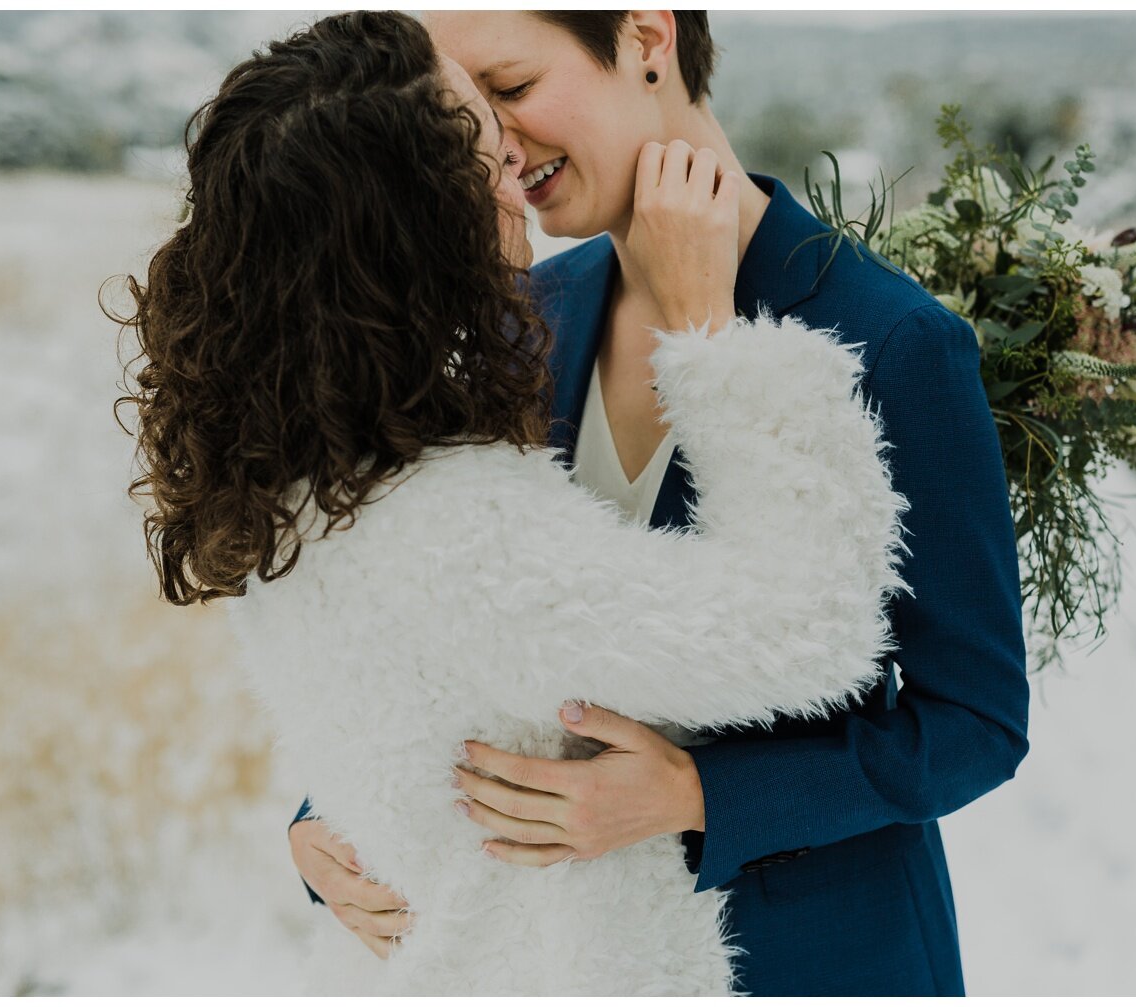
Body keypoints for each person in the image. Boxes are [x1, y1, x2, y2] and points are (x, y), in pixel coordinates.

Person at [117, 10, 910, 996]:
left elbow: (429, 704)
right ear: (412, 229)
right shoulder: (455, 522)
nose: (517, 186)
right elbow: (812, 622)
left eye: (513, 94)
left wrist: (342, 825)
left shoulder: (300, 467)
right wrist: (713, 339)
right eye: (483, 156)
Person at [290, 11, 1032, 996]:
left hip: (813, 960)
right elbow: (441, 619)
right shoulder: (528, 318)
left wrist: (695, 793)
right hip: (566, 961)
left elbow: (977, 719)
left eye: (508, 89)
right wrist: (324, 816)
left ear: (646, 38)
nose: (489, 144)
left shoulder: (888, 336)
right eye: (461, 110)